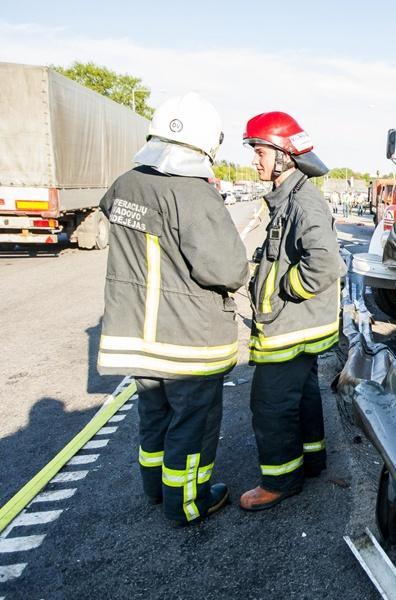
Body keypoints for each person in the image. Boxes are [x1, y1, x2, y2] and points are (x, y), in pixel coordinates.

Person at [97, 92, 249, 525]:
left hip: (138, 337)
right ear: (204, 146)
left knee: (154, 416)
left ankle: (155, 489)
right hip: (188, 341)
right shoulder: (192, 193)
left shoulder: (126, 183)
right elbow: (227, 269)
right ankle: (185, 503)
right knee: (192, 425)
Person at [240, 111, 345, 511]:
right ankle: (311, 461)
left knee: (271, 404)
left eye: (260, 151)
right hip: (299, 326)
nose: (255, 160)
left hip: (289, 325)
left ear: (284, 155)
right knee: (302, 396)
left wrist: (285, 290)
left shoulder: (303, 201)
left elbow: (324, 262)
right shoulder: (292, 196)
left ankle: (281, 480)